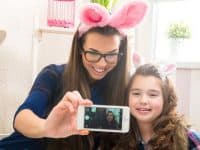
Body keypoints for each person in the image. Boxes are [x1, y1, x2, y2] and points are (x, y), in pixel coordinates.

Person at [0, 1, 148, 150]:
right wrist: (47, 128)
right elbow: (22, 118)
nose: (102, 64)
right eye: (93, 53)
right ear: (79, 49)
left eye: (111, 55)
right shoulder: (53, 75)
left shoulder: (125, 87)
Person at [114, 64, 200, 150]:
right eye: (136, 93)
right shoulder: (115, 137)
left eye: (152, 95)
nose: (143, 101)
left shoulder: (189, 138)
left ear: (166, 99)